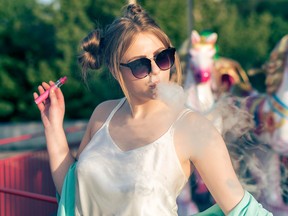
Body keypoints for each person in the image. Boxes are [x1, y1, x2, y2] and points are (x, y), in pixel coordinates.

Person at [33, 3, 272, 216]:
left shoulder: (192, 127)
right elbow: (73, 193)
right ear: (117, 71)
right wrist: (53, 126)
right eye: (140, 65)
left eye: (163, 57)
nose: (156, 70)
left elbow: (243, 210)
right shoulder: (103, 115)